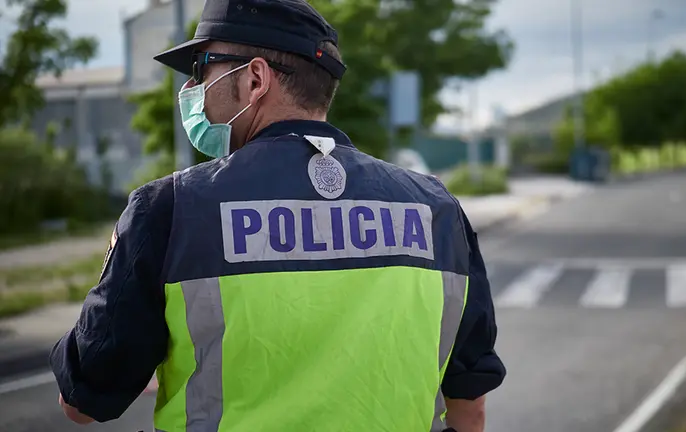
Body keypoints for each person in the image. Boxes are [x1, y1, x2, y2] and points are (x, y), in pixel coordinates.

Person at [49, 0, 506, 430]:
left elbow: (83, 399)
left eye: (201, 70)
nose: (192, 91)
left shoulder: (170, 209)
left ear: (255, 80)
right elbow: (470, 406)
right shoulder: (438, 210)